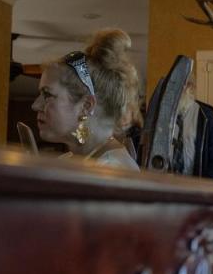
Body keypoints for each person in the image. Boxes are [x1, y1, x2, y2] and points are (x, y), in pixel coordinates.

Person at [31, 28, 141, 171]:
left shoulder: (111, 170)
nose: (35, 105)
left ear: (86, 106)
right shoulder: (67, 162)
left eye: (47, 95)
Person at [169, 73, 213, 179]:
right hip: (166, 186)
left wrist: (205, 182)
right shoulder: (164, 114)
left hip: (195, 186)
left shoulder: (206, 117)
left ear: (190, 87)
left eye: (179, 85)